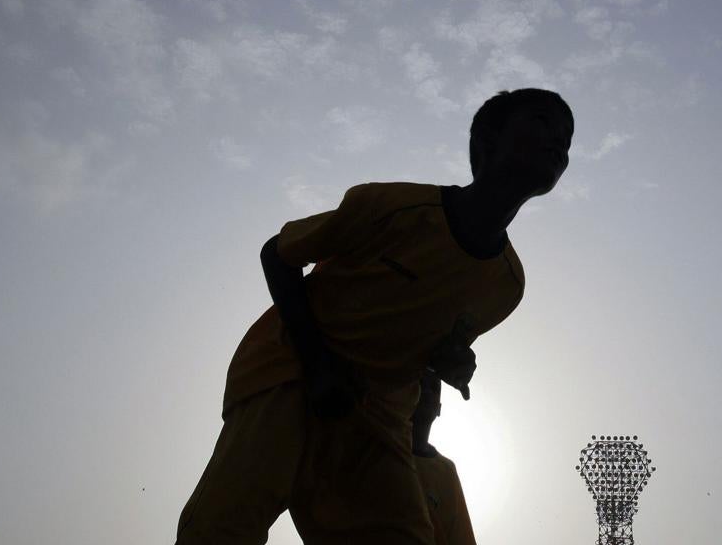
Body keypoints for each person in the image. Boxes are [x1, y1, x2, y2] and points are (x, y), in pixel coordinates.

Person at [175, 88, 574, 545]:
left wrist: (453, 361)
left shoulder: (507, 286)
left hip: (377, 418)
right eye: (544, 122)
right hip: (288, 375)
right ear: (488, 138)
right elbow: (278, 254)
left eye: (567, 136)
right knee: (220, 529)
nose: (559, 141)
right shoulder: (390, 208)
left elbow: (428, 344)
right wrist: (319, 366)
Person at [411, 370, 477, 545]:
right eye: (420, 385)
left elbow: (460, 535)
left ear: (439, 409)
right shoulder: (380, 447)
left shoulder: (446, 471)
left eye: (433, 387)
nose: (426, 392)